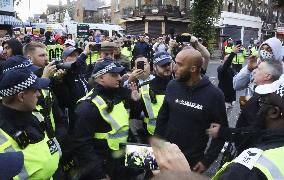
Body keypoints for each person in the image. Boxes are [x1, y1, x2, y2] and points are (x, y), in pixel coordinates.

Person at [155, 49, 228, 173]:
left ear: (193, 69)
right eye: (175, 62)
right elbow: (162, 118)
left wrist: (207, 161)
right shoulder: (172, 85)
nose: (174, 68)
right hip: (166, 155)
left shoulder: (214, 95)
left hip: (191, 163)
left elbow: (221, 132)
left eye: (179, 64)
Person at [69, 59, 140, 179]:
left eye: (119, 74)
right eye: (114, 75)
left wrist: (135, 102)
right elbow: (82, 145)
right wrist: (99, 174)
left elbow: (128, 123)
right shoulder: (87, 106)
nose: (119, 78)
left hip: (125, 160)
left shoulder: (118, 95)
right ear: (101, 78)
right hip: (107, 167)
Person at [212, 76, 284, 180]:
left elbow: (250, 131)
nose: (259, 110)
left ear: (274, 112)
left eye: (262, 102)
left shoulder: (247, 171)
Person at [0, 68, 61, 179]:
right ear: (21, 96)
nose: (39, 94)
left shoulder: (34, 114)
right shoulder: (3, 132)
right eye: (35, 90)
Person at [131, 52, 174, 142]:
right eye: (163, 65)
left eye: (168, 64)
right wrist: (136, 101)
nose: (167, 67)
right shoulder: (144, 88)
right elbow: (135, 115)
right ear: (154, 67)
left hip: (175, 136)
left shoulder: (180, 86)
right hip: (152, 137)